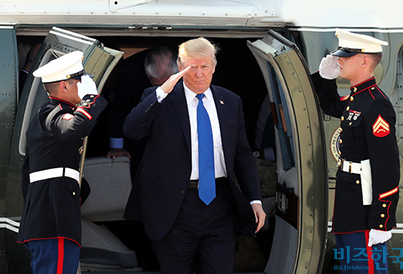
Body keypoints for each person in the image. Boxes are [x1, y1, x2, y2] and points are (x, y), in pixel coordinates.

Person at [123, 37, 266, 273]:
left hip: (220, 205)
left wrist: (255, 200)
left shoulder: (230, 102)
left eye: (204, 66)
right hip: (174, 208)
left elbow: (242, 155)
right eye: (192, 67)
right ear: (180, 67)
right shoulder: (161, 98)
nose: (199, 74)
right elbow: (132, 130)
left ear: (214, 66)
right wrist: (162, 91)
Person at [311, 29, 400, 273]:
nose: (339, 59)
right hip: (349, 207)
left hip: (365, 210)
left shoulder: (376, 104)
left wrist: (382, 221)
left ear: (364, 61)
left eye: (345, 56)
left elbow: (387, 167)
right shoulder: (356, 99)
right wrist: (324, 77)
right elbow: (329, 104)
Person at [17, 51, 108, 273]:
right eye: (80, 82)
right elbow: (76, 127)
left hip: (53, 217)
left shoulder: (53, 115)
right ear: (65, 87)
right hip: (53, 220)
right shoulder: (52, 114)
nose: (85, 86)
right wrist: (90, 100)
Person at [106, 46, 178, 167]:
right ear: (147, 73)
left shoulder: (193, 69)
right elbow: (119, 109)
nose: (164, 91)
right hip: (139, 138)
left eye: (168, 84)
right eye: (156, 85)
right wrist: (117, 147)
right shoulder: (130, 72)